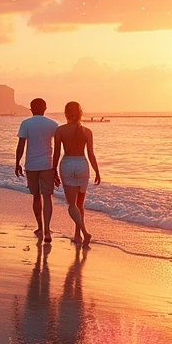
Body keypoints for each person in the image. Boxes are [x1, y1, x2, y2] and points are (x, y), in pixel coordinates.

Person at [53, 101, 101, 246]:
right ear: (80, 113)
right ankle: (77, 235)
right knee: (80, 204)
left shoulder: (60, 130)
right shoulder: (87, 131)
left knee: (72, 205)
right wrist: (97, 171)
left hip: (67, 164)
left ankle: (84, 233)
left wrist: (53, 170)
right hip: (82, 164)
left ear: (66, 113)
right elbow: (91, 154)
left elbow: (56, 153)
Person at [16, 98, 59, 243]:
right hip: (47, 165)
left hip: (31, 165)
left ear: (31, 109)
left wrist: (17, 163)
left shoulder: (26, 123)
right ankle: (47, 230)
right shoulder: (53, 124)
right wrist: (56, 168)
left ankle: (40, 227)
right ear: (45, 108)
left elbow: (21, 146)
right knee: (47, 197)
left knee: (36, 196)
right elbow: (58, 147)